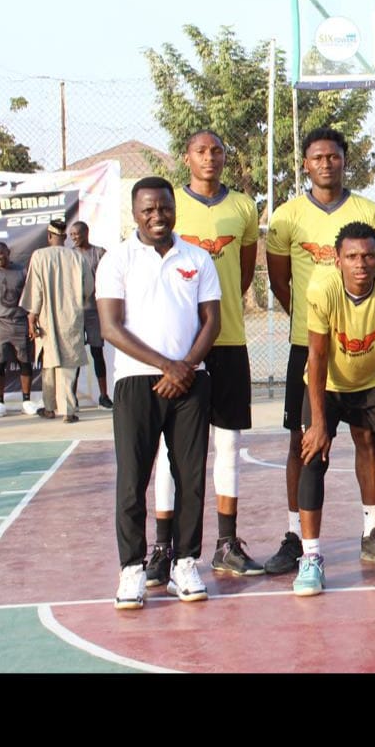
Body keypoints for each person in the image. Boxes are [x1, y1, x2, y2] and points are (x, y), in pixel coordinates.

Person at [265, 127, 375, 575]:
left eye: (333, 156)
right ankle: (296, 535)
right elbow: (279, 281)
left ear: (344, 160)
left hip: (362, 344)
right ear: (305, 163)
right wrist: (310, 319)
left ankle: (373, 531)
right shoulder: (286, 216)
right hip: (309, 344)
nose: (325, 163)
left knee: (364, 438)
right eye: (317, 157)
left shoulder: (369, 212)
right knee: (304, 441)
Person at [97, 177, 221, 610]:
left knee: (191, 478)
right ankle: (131, 570)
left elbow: (212, 322)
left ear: (174, 209)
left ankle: (185, 563)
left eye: (164, 208)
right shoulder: (117, 259)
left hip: (191, 382)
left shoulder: (197, 257)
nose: (157, 216)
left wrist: (184, 367)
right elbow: (112, 327)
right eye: (148, 209)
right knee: (133, 480)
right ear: (135, 213)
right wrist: (164, 365)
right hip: (135, 381)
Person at [146, 131, 264, 585]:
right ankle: (162, 546)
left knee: (229, 444)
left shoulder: (243, 208)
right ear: (187, 157)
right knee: (168, 447)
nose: (210, 157)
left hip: (228, 337)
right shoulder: (169, 204)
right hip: (178, 345)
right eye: (201, 150)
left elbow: (244, 270)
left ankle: (226, 543)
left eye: (217, 150)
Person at [294, 221, 375, 594]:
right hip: (330, 382)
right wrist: (319, 422)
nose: (361, 263)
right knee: (312, 454)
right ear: (337, 260)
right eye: (351, 256)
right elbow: (317, 356)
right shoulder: (322, 287)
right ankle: (311, 558)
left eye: (369, 255)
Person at [20, 219, 92, 423]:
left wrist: (32, 315)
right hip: (71, 317)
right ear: (64, 237)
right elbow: (88, 288)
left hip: (47, 318)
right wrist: (77, 301)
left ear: (50, 236)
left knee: (49, 364)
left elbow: (35, 289)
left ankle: (50, 408)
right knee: (68, 366)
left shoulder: (39, 256)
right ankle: (68, 411)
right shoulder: (77, 257)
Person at [0, 242, 37, 417]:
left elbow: (30, 298)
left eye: (0, 253)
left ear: (8, 252)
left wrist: (31, 322)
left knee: (25, 362)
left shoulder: (22, 271)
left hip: (19, 321)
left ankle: (26, 400)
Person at [69, 221, 112, 409]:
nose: (74, 238)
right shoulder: (68, 255)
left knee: (97, 353)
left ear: (86, 233)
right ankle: (71, 397)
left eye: (77, 234)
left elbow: (108, 280)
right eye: (71, 235)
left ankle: (103, 396)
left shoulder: (100, 253)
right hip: (74, 312)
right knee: (75, 356)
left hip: (94, 312)